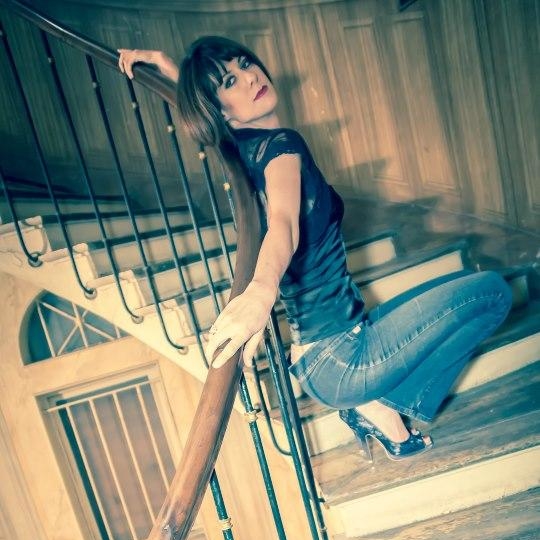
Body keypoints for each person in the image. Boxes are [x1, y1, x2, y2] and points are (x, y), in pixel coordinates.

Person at [118, 38, 512, 462]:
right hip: (344, 360)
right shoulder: (282, 147)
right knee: (492, 292)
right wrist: (260, 290)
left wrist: (166, 65)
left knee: (461, 289)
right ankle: (378, 405)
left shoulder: (242, 148)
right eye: (230, 81)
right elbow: (283, 224)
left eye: (245, 64)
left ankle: (375, 408)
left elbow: (213, 113)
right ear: (221, 110)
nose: (251, 77)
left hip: (324, 358)